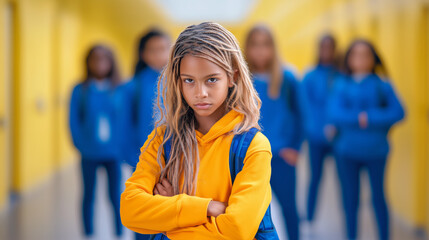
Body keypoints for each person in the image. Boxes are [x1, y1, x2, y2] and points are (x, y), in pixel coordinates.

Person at [120, 22, 279, 240]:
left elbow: (236, 231)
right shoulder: (162, 140)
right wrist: (209, 208)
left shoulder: (253, 147)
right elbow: (130, 211)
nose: (200, 93)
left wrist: (170, 213)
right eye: (189, 81)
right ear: (178, 81)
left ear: (232, 77)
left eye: (212, 79)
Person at [328, 39, 405, 240]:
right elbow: (335, 113)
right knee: (350, 201)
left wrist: (368, 117)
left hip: (376, 151)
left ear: (374, 59)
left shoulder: (382, 84)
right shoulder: (341, 84)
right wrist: (359, 118)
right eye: (356, 54)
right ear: (349, 59)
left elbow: (398, 112)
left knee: (378, 199)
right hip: (347, 152)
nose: (361, 59)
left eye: (366, 55)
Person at [244, 25, 303, 240]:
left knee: (289, 209)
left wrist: (295, 148)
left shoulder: (287, 78)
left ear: (273, 48)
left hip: (281, 157)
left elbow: (301, 116)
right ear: (247, 47)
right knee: (251, 214)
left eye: (266, 45)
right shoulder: (239, 79)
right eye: (255, 44)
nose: (260, 50)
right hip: (249, 159)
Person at [69, 45, 123, 238]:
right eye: (95, 59)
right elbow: (73, 121)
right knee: (88, 196)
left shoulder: (119, 89)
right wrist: (81, 145)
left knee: (115, 197)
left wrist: (122, 146)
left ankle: (118, 233)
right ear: (88, 62)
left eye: (104, 59)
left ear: (111, 62)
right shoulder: (80, 90)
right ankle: (88, 233)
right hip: (89, 153)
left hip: (114, 154)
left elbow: (124, 120)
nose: (99, 63)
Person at [300, 34, 340, 224]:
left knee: (344, 182)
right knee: (315, 178)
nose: (326, 52)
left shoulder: (341, 75)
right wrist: (315, 130)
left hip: (339, 137)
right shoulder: (310, 76)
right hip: (316, 137)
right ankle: (309, 218)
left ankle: (345, 218)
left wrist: (335, 126)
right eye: (323, 47)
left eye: (330, 47)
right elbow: (305, 107)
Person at [122, 29, 170, 168]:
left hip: (177, 159)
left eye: (163, 49)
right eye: (153, 50)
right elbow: (124, 127)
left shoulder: (182, 82)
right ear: (143, 54)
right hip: (144, 161)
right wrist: (134, 161)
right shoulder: (132, 87)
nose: (160, 55)